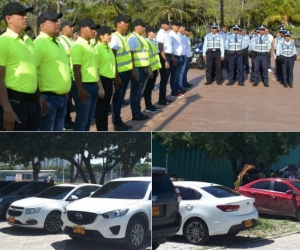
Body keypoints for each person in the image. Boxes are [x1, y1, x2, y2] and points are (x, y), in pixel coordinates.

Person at [0, 2, 41, 131]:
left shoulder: (29, 41)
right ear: (8, 19)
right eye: (21, 14)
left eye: (26, 14)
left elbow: (32, 70)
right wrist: (7, 109)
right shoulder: (3, 41)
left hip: (33, 102)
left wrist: (38, 97)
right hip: (15, 103)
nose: (25, 17)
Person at [34, 12, 71, 131]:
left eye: (57, 21)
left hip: (61, 98)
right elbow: (31, 71)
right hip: (47, 99)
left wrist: (64, 90)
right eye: (53, 21)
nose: (57, 23)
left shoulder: (57, 43)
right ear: (42, 26)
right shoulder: (39, 43)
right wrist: (38, 97)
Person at [70, 18, 101, 131]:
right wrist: (80, 89)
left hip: (93, 86)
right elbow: (76, 69)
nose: (94, 31)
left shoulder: (90, 45)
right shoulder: (78, 46)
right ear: (83, 29)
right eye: (91, 28)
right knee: (82, 120)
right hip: (83, 87)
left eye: (94, 29)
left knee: (88, 119)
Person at [110, 14, 133, 131]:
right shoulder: (115, 37)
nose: (127, 24)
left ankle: (119, 120)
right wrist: (116, 75)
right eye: (125, 22)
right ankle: (116, 122)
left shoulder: (123, 37)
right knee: (117, 98)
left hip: (126, 72)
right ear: (118, 23)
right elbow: (112, 57)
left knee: (120, 98)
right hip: (120, 73)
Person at [127, 19, 151, 120]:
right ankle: (135, 113)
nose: (144, 28)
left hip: (144, 67)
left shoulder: (141, 38)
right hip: (137, 68)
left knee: (140, 92)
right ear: (136, 27)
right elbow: (130, 54)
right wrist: (133, 69)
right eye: (142, 26)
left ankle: (138, 111)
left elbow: (146, 54)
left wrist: (149, 68)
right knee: (135, 92)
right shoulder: (132, 38)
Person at [94, 26, 116, 131]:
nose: (110, 36)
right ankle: (101, 130)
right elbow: (96, 69)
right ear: (101, 36)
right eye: (108, 34)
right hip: (102, 80)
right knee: (101, 109)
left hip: (109, 81)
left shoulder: (107, 47)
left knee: (106, 109)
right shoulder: (98, 48)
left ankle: (105, 129)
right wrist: (100, 87)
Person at [59, 20, 76, 130]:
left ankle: (67, 120)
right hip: (67, 76)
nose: (73, 28)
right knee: (67, 101)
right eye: (70, 27)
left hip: (72, 75)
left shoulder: (70, 41)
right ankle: (65, 122)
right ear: (64, 29)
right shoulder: (62, 41)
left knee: (69, 101)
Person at [156, 19, 175, 105]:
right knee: (164, 78)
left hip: (169, 56)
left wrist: (173, 57)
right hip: (164, 56)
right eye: (167, 24)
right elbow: (161, 48)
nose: (168, 25)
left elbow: (170, 46)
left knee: (166, 77)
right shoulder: (160, 34)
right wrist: (165, 60)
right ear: (162, 25)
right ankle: (161, 98)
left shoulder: (166, 34)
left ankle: (164, 97)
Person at [144, 26, 161, 113]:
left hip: (154, 68)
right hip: (150, 69)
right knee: (148, 88)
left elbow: (155, 56)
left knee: (150, 88)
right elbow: (147, 57)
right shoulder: (146, 42)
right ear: (148, 33)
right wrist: (150, 69)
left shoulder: (152, 42)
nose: (155, 33)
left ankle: (150, 104)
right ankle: (148, 105)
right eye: (153, 32)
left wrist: (157, 68)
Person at [169, 21, 185, 96]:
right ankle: (174, 91)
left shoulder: (177, 34)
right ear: (172, 26)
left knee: (178, 75)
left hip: (180, 56)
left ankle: (177, 88)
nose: (177, 26)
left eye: (178, 25)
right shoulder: (171, 35)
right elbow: (170, 47)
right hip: (175, 56)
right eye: (175, 25)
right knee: (174, 75)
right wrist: (173, 58)